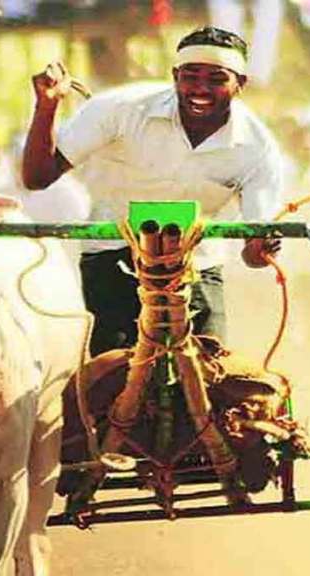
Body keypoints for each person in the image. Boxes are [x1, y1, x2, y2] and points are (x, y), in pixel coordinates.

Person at [22, 25, 283, 356]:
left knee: (212, 371)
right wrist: (46, 108)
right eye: (190, 76)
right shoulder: (118, 109)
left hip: (197, 266)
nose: (200, 88)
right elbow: (37, 177)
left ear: (240, 84)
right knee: (113, 371)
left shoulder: (257, 148)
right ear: (175, 76)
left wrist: (262, 247)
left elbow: (254, 254)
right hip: (113, 252)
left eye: (217, 79)